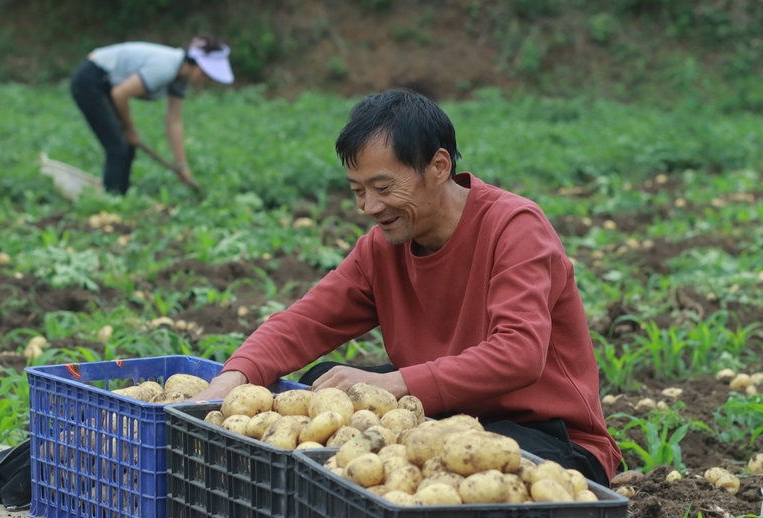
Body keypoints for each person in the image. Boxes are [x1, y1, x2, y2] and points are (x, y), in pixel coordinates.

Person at [191, 88, 621, 486]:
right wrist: (234, 378)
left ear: (438, 166)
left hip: (549, 437)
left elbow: (519, 353)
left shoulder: (514, 228)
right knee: (325, 384)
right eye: (358, 191)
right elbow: (306, 321)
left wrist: (399, 383)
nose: (370, 207)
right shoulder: (382, 248)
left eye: (383, 187)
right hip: (445, 414)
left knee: (454, 468)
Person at [69, 35, 234, 195]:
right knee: (118, 147)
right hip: (90, 80)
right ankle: (111, 202)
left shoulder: (180, 79)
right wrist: (129, 130)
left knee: (126, 147)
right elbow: (119, 94)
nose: (206, 81)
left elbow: (174, 121)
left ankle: (119, 197)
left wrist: (182, 166)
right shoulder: (164, 68)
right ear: (198, 66)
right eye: (206, 75)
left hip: (106, 84)